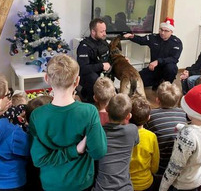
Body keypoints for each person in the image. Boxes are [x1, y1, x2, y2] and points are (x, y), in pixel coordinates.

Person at [29, 54, 107, 191]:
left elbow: (39, 159)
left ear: (46, 79)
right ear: (77, 81)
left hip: (51, 183)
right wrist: (75, 150)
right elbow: (98, 152)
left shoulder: (37, 115)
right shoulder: (89, 112)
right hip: (81, 182)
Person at [159, 83, 201, 191]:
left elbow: (175, 166)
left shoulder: (186, 136)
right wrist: (183, 127)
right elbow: (198, 135)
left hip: (182, 184)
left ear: (191, 111)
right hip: (198, 178)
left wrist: (163, 187)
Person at [145, 81, 187, 189]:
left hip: (160, 167)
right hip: (181, 167)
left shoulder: (151, 115)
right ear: (177, 100)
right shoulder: (184, 114)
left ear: (157, 100)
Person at [92, 93, 139, 191]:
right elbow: (136, 142)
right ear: (128, 116)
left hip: (101, 187)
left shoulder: (99, 132)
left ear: (107, 110)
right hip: (125, 187)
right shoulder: (132, 130)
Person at [124, 17, 183, 90]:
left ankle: (167, 86)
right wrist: (131, 36)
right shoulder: (154, 37)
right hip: (153, 69)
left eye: (166, 31)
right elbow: (141, 40)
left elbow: (174, 59)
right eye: (161, 30)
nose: (162, 33)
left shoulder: (176, 42)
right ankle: (157, 82)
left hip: (166, 68)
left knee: (171, 68)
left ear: (171, 32)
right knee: (138, 80)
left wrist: (158, 61)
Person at [0, 74, 29, 190]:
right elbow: (29, 150)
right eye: (7, 95)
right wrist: (28, 127)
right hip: (12, 182)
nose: (9, 98)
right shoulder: (12, 132)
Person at [129, 95, 160, 191]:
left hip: (127, 183)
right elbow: (155, 164)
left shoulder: (123, 135)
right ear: (148, 118)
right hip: (146, 183)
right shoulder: (151, 136)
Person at [77, 18, 111, 103]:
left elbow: (110, 56)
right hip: (90, 78)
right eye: (102, 32)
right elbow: (83, 69)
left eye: (105, 31)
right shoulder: (84, 47)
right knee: (95, 80)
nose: (104, 34)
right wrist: (101, 66)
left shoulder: (103, 42)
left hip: (103, 74)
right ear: (93, 32)